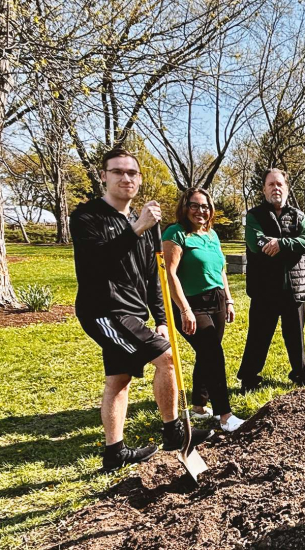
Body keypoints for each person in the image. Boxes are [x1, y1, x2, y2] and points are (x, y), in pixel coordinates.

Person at [70, 148, 212, 472]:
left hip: (132, 313)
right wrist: (135, 229)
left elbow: (154, 277)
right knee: (166, 358)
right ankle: (173, 432)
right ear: (103, 176)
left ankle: (114, 452)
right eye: (117, 171)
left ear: (139, 179)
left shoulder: (145, 225)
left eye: (132, 173)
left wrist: (163, 319)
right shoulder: (87, 217)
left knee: (118, 380)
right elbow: (94, 265)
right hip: (103, 311)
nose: (125, 178)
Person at [162, 188, 245, 433]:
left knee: (207, 354)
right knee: (214, 355)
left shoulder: (212, 235)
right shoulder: (175, 233)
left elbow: (221, 271)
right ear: (185, 207)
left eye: (205, 206)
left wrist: (229, 300)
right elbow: (170, 274)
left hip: (217, 300)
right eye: (195, 205)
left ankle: (198, 407)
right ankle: (225, 415)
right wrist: (185, 310)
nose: (201, 211)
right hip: (190, 303)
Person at [237, 168, 305, 391]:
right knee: (258, 337)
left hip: (295, 287)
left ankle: (301, 376)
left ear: (287, 188)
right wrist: (292, 244)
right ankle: (249, 378)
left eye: (279, 184)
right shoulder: (254, 216)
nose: (276, 188)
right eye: (271, 184)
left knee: (296, 337)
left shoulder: (299, 216)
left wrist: (281, 243)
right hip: (265, 289)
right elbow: (256, 244)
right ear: (264, 189)